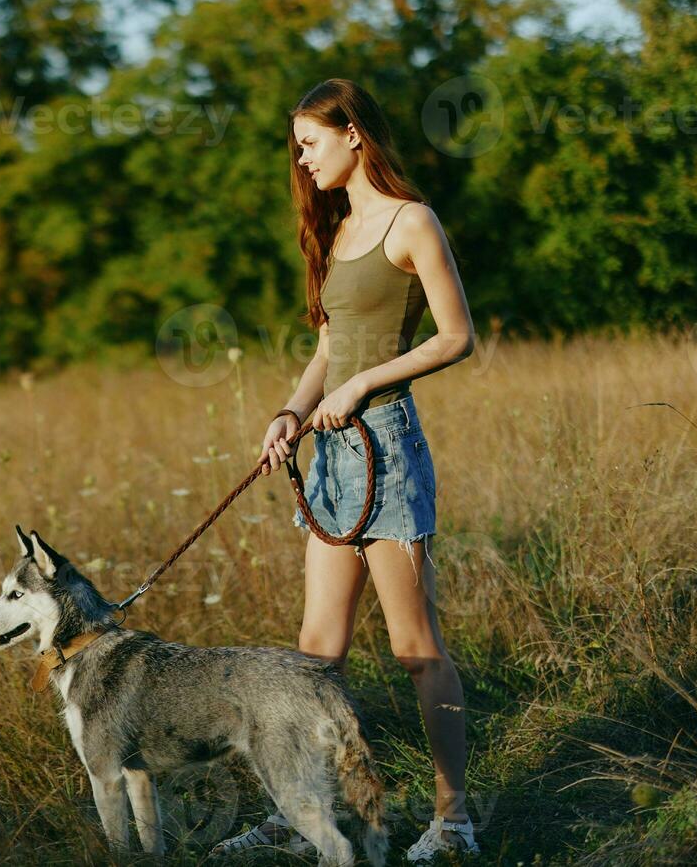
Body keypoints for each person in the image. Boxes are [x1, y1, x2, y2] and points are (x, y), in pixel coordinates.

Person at [244, 78, 480, 861]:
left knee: (417, 649)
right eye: (298, 147)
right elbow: (327, 347)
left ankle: (454, 821)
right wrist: (289, 411)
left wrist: (363, 384)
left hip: (388, 447)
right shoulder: (339, 231)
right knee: (317, 652)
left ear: (353, 134)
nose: (302, 160)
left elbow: (456, 338)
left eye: (310, 142)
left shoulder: (412, 223)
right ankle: (301, 812)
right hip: (331, 456)